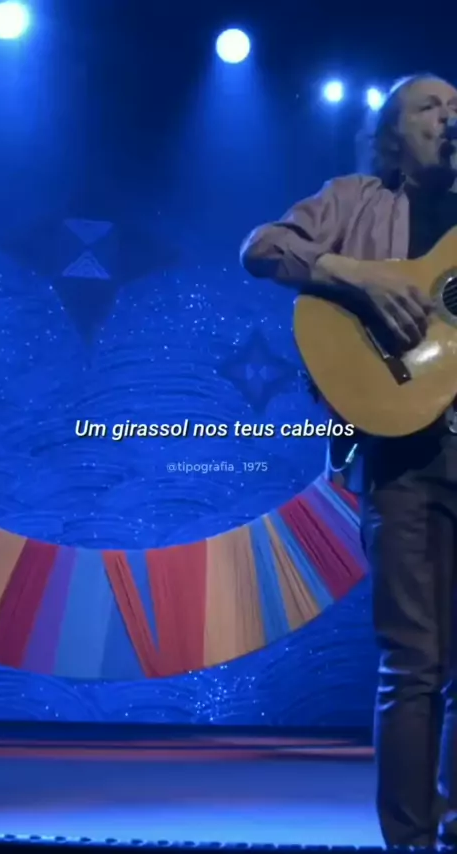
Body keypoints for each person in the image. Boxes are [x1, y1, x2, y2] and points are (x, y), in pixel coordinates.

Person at [240, 74, 457, 849]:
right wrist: (357, 274)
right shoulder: (358, 200)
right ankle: (411, 843)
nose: (450, 115)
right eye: (432, 106)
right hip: (403, 454)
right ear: (395, 134)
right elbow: (262, 248)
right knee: (415, 661)